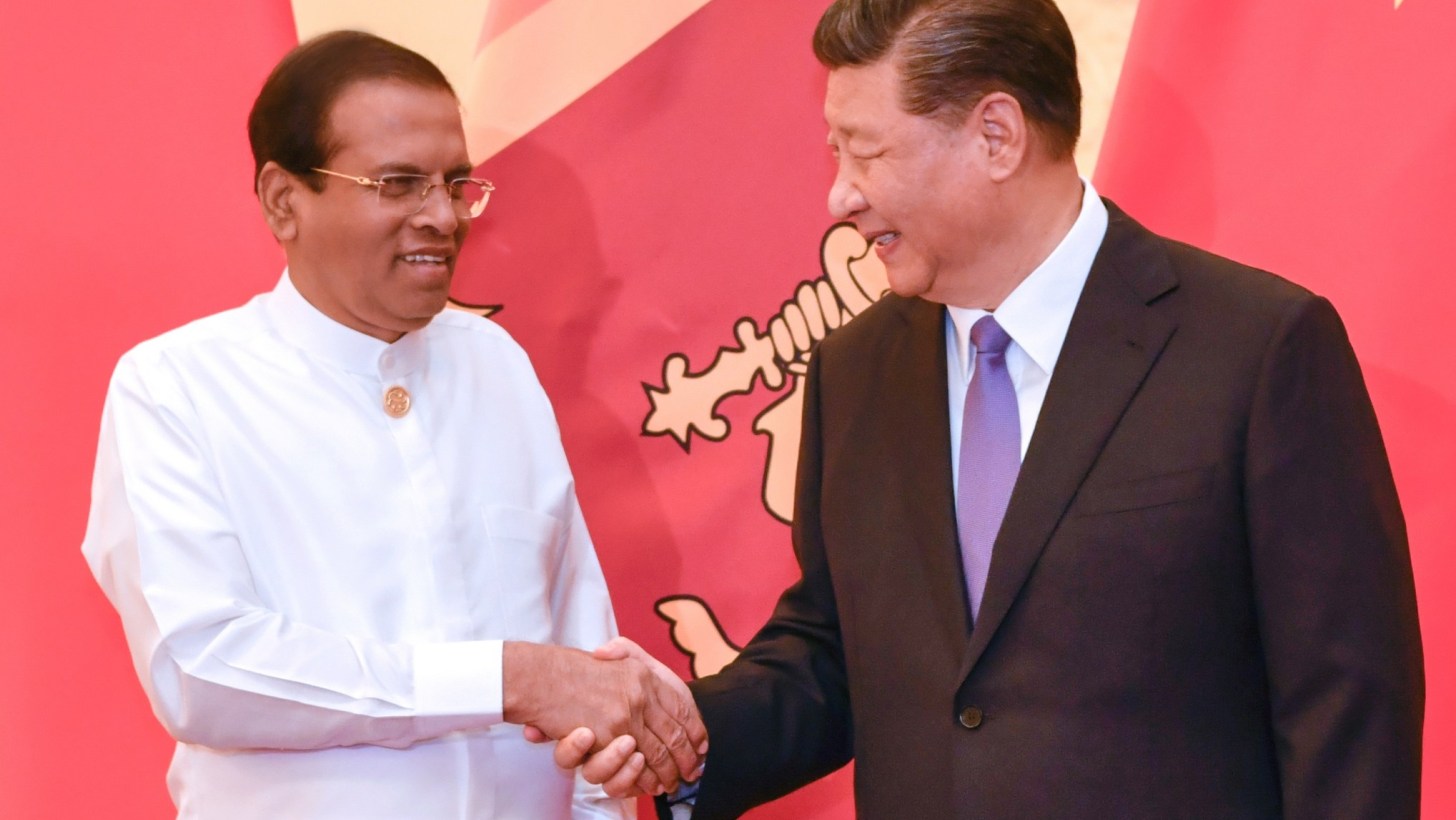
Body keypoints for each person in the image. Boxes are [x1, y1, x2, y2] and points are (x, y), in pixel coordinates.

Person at [559, 0, 1425, 816]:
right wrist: (687, 732)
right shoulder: (854, 372)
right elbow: (835, 655)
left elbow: (1347, 706)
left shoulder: (1256, 348)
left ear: (997, 135)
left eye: (867, 153)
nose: (841, 196)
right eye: (836, 155)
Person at [80, 30, 704, 820]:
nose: (441, 216)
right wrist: (504, 677)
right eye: (398, 183)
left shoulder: (496, 364)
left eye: (456, 183)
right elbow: (204, 672)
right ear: (283, 201)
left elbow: (583, 654)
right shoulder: (177, 386)